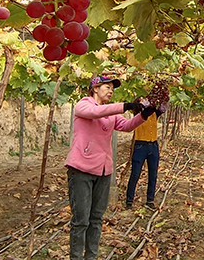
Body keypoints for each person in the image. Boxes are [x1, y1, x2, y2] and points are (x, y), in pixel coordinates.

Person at [66, 75, 156, 260]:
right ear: (95, 88)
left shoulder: (110, 113)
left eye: (112, 88)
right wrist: (126, 106)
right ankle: (76, 257)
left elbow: (127, 125)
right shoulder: (83, 104)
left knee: (96, 219)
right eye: (107, 87)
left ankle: (91, 256)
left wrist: (143, 116)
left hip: (103, 170)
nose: (110, 91)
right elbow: (94, 113)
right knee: (81, 220)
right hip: (81, 169)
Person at [125, 96, 168, 209]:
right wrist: (145, 105)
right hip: (140, 146)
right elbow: (145, 112)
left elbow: (161, 109)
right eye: (142, 100)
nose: (145, 101)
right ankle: (129, 200)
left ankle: (150, 200)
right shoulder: (137, 115)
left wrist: (162, 102)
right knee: (135, 174)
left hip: (153, 146)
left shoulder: (154, 113)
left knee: (153, 174)